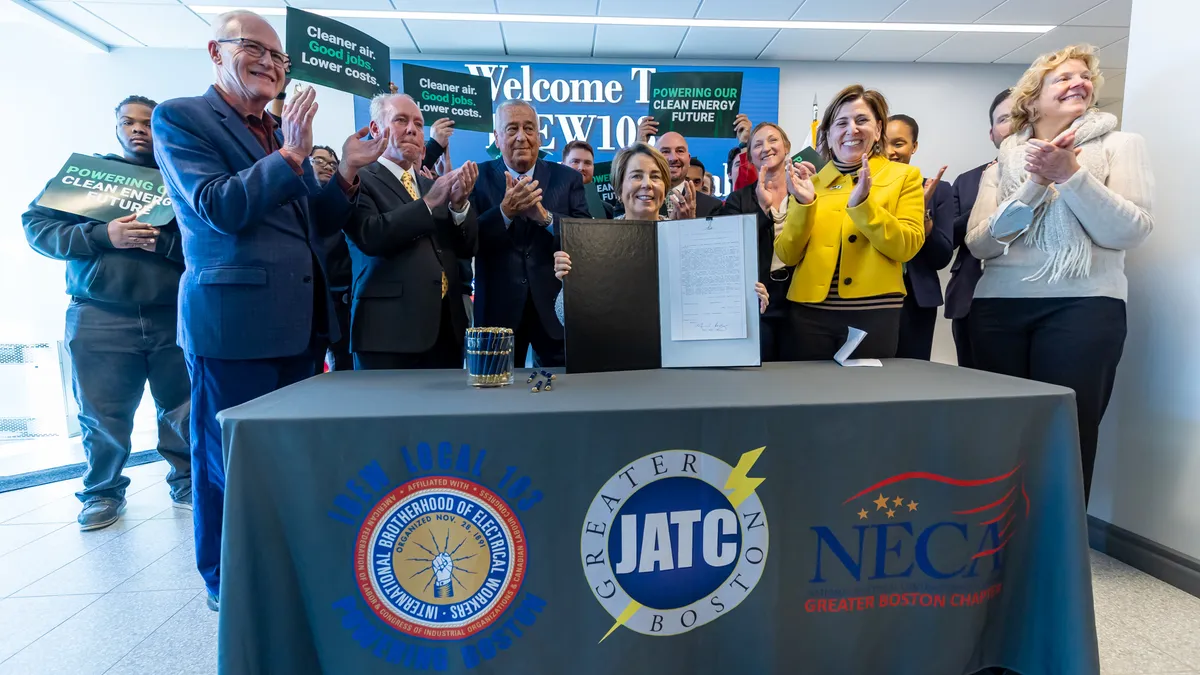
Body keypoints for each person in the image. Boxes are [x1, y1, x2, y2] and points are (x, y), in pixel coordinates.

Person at [152, 9, 388, 611]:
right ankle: (224, 582)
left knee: (288, 461)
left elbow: (315, 223)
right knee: (224, 465)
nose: (269, 63)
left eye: (279, 58)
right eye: (252, 49)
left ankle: (286, 564)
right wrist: (288, 157)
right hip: (233, 328)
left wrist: (349, 175)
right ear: (215, 51)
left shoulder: (277, 130)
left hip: (300, 327)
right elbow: (218, 207)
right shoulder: (181, 118)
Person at [966, 45, 1153, 504]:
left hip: (1085, 307)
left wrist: (1071, 175)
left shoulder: (1119, 145)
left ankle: (1056, 552)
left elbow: (1129, 231)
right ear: (1032, 98)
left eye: (1085, 76)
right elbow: (980, 243)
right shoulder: (1006, 158)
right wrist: (1037, 182)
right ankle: (999, 545)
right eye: (1063, 77)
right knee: (999, 431)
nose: (1080, 82)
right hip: (997, 308)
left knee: (1067, 432)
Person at [21, 96, 192, 531]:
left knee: (183, 408)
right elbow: (37, 228)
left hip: (172, 314)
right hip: (99, 316)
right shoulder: (87, 179)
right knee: (101, 415)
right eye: (128, 122)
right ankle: (101, 492)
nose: (138, 130)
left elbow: (211, 240)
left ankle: (187, 481)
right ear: (116, 128)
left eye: (148, 123)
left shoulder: (185, 176)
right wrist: (102, 234)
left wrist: (164, 244)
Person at [775, 84, 925, 361]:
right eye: (841, 122)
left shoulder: (905, 176)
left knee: (865, 399)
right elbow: (787, 254)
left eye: (862, 120)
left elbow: (907, 247)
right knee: (805, 396)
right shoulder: (810, 183)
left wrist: (863, 206)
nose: (851, 130)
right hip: (809, 313)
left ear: (879, 129)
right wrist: (805, 205)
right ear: (829, 134)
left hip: (873, 313)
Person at [551, 142, 767, 324]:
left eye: (655, 177)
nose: (647, 184)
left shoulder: (692, 241)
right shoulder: (592, 243)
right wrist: (571, 285)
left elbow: (717, 304)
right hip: (617, 362)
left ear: (664, 189)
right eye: (636, 176)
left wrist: (747, 298)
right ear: (618, 189)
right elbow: (565, 319)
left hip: (679, 364)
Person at [344, 93, 479, 370]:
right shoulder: (359, 178)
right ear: (375, 129)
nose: (412, 130)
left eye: (419, 124)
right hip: (387, 333)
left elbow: (465, 250)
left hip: (445, 329)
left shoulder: (431, 186)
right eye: (401, 121)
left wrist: (459, 206)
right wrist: (428, 205)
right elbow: (371, 236)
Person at [470, 99, 590, 368]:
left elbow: (585, 237)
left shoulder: (567, 178)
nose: (522, 137)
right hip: (497, 311)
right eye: (511, 129)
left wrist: (544, 218)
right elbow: (469, 240)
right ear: (497, 138)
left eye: (529, 128)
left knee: (562, 393)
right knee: (496, 395)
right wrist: (504, 212)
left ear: (539, 135)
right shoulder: (478, 177)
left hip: (555, 308)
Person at [947, 89, 1013, 369]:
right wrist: (982, 209)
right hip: (971, 298)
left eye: (1022, 116)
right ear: (992, 133)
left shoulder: (1058, 172)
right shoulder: (967, 180)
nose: (1014, 125)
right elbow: (946, 237)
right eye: (1005, 118)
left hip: (1036, 297)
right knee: (976, 386)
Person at [720, 122, 794, 361]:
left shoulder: (806, 191)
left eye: (773, 140)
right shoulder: (738, 199)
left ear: (786, 146)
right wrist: (763, 209)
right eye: (758, 145)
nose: (766, 148)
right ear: (750, 157)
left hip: (801, 300)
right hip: (759, 301)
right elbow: (729, 247)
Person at [885, 114, 953, 361]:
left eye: (898, 143)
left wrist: (922, 213)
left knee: (912, 375)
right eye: (883, 143)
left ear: (914, 147)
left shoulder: (938, 190)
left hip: (916, 300)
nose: (890, 151)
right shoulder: (865, 189)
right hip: (871, 299)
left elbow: (941, 257)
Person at [311, 145, 353, 372]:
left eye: (333, 163)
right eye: (319, 160)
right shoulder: (300, 200)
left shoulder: (346, 201)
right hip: (312, 299)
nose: (327, 166)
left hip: (342, 299)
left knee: (344, 369)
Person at [636, 116, 723, 218]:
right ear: (654, 159)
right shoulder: (638, 198)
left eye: (680, 151)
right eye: (665, 151)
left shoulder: (711, 206)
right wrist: (640, 146)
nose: (673, 158)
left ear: (689, 159)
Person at [563, 139, 613, 218]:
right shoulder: (549, 204)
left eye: (587, 163)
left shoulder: (607, 210)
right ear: (562, 166)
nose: (581, 168)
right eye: (575, 161)